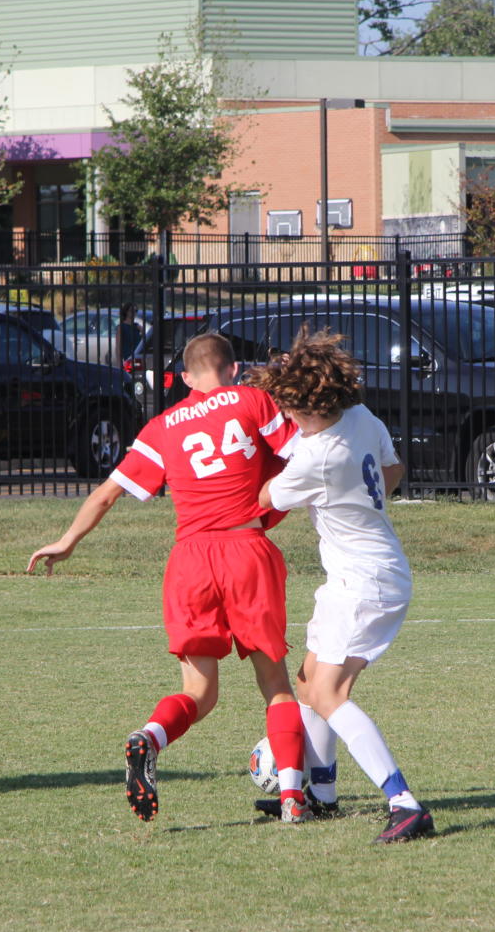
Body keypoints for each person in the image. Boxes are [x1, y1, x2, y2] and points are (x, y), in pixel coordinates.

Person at [26, 332, 314, 823]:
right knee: (277, 686)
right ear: (233, 368)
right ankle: (292, 800)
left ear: (184, 378)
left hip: (190, 561)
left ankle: (149, 737)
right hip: (244, 550)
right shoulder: (252, 399)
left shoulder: (161, 426)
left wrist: (67, 541)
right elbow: (304, 450)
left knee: (200, 695)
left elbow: (105, 494)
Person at [246, 328, 435, 843]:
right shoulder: (360, 418)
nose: (283, 416)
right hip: (364, 570)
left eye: (286, 408)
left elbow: (266, 496)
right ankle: (322, 795)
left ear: (301, 408)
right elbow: (393, 471)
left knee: (328, 693)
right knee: (308, 680)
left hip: (365, 580)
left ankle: (404, 802)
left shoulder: (315, 457)